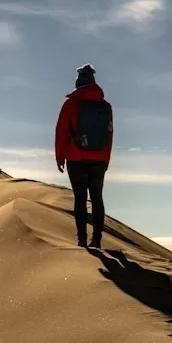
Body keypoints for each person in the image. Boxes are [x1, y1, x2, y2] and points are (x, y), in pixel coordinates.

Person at [55, 64, 113, 249]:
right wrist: (106, 159)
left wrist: (60, 157)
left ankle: (81, 240)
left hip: (76, 157)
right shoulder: (105, 106)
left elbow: (61, 132)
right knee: (97, 198)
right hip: (99, 159)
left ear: (78, 81)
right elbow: (110, 134)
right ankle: (96, 239)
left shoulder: (71, 104)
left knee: (80, 198)